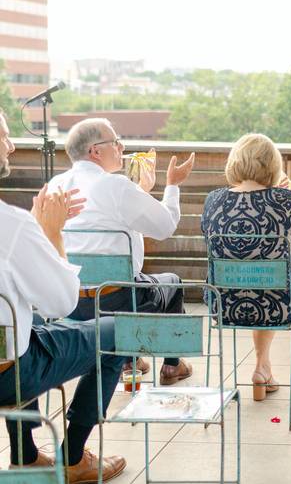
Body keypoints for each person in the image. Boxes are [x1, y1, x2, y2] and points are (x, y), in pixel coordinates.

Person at [0, 109, 128, 484]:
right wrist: (51, 233)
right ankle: (73, 459)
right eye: (4, 136)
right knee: (116, 332)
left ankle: (25, 457)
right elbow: (62, 303)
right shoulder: (11, 225)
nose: (11, 145)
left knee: (27, 326)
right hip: (9, 376)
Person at [49, 118, 196, 385]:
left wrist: (140, 192)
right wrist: (173, 184)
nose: (122, 147)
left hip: (69, 303)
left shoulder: (55, 185)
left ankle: (130, 360)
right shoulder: (115, 186)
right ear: (96, 150)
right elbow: (165, 227)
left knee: (128, 284)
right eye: (116, 142)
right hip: (118, 302)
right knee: (172, 283)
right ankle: (173, 366)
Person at [201, 133, 291, 401]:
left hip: (225, 303)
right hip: (279, 304)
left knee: (256, 276)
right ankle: (261, 369)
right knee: (272, 278)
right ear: (273, 165)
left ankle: (262, 367)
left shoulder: (214, 201)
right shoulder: (287, 201)